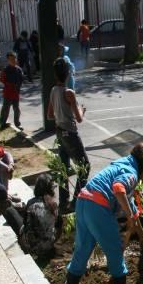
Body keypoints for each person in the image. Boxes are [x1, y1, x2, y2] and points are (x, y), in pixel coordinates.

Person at [63, 143, 143, 284]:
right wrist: (129, 217)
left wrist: (142, 236)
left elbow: (132, 208)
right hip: (99, 208)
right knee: (115, 252)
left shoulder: (122, 165)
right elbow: (119, 189)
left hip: (83, 201)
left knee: (82, 252)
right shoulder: (132, 174)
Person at [47, 57, 90, 213]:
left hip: (59, 132)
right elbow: (78, 118)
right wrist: (81, 110)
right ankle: (76, 201)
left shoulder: (53, 90)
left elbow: (50, 115)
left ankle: (64, 202)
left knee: (64, 168)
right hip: (70, 133)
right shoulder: (69, 92)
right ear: (67, 74)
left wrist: (61, 112)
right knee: (85, 167)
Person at [4, 174, 59, 261]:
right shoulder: (53, 205)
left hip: (34, 247)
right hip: (49, 244)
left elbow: (26, 224)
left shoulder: (32, 203)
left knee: (9, 211)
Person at [0, 51, 24, 130]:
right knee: (5, 109)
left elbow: (21, 80)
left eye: (14, 58)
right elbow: (2, 79)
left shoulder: (19, 70)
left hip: (16, 93)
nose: (13, 60)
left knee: (16, 109)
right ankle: (2, 123)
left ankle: (17, 123)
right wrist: (10, 85)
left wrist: (17, 87)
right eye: (11, 59)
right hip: (8, 93)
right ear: (8, 60)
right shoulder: (5, 70)